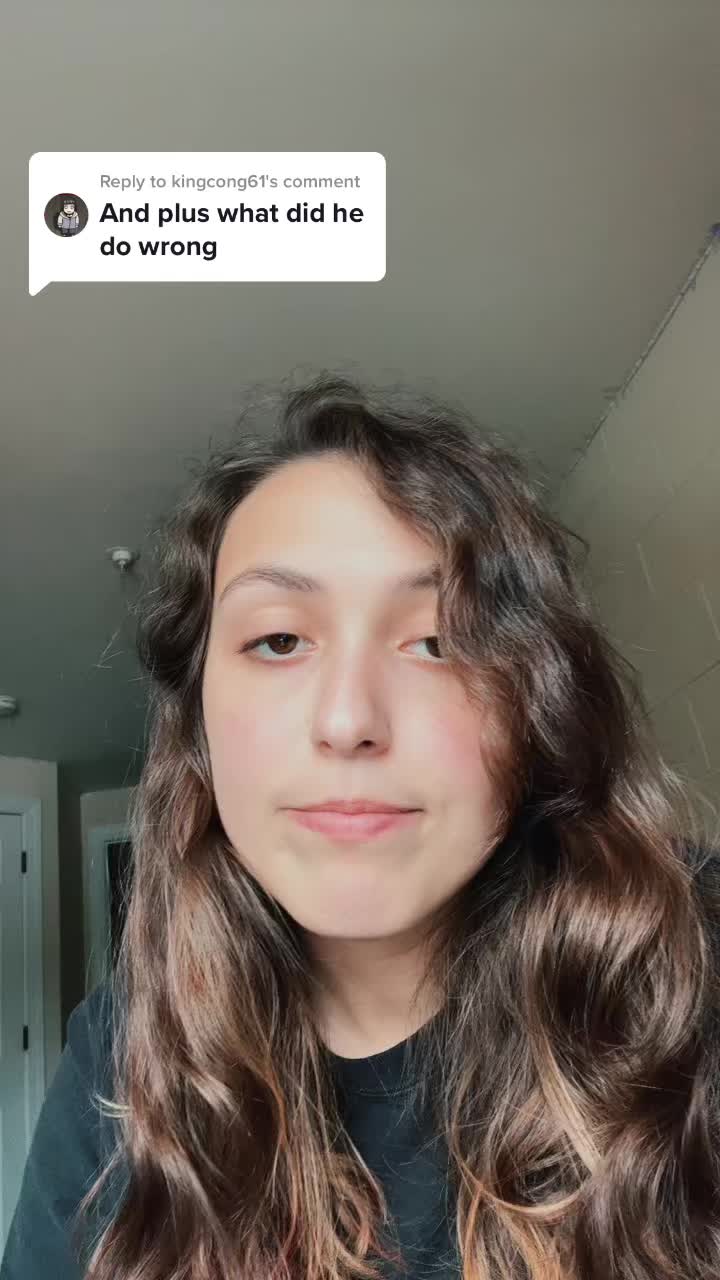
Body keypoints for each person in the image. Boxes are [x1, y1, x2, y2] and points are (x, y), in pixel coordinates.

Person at [3, 372, 720, 1280]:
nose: (348, 721)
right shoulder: (119, 1056)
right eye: (278, 641)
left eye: (440, 642)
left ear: (537, 706)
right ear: (201, 725)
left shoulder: (690, 968)